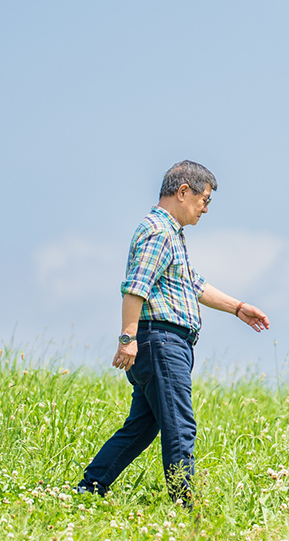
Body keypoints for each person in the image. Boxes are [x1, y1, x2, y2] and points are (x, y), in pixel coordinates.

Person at [76, 160, 272, 506]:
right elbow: (136, 286)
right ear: (184, 192)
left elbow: (193, 284)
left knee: (142, 427)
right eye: (204, 200)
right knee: (180, 424)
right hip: (162, 342)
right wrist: (127, 338)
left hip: (165, 343)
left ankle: (89, 488)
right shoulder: (158, 232)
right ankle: (184, 504)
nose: (205, 209)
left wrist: (238, 307)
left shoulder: (171, 236)